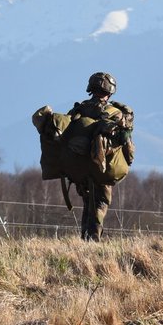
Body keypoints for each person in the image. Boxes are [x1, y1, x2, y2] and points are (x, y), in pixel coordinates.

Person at [67, 71, 133, 242]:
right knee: (100, 203)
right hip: (101, 167)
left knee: (88, 202)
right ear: (110, 91)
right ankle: (94, 240)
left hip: (80, 167)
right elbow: (125, 141)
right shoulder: (115, 113)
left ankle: (85, 239)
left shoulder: (77, 110)